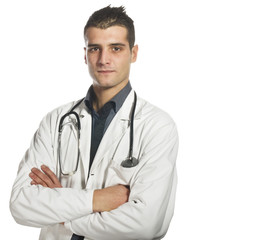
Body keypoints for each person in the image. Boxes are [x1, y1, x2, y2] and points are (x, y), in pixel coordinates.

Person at [10, 5, 179, 240]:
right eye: (95, 48)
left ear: (134, 53)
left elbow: (145, 224)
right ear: (85, 54)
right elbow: (21, 204)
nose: (103, 59)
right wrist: (100, 199)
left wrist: (60, 210)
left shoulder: (157, 126)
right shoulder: (56, 121)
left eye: (116, 48)